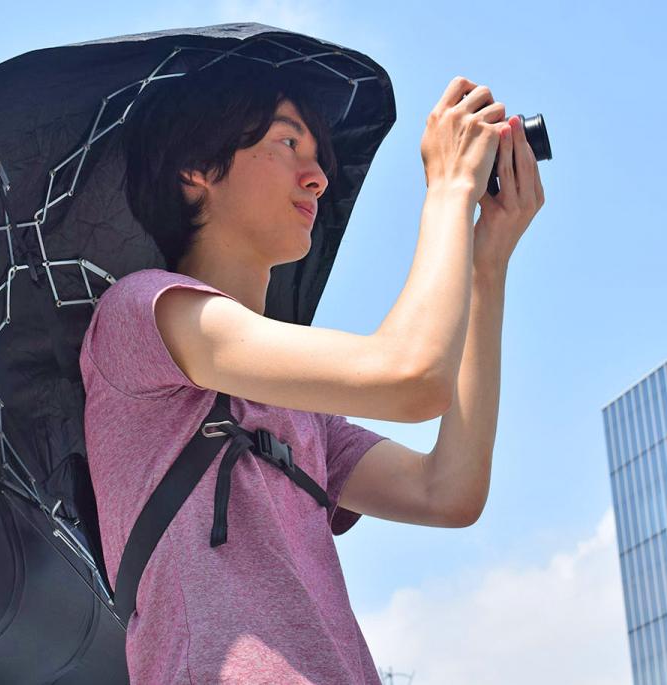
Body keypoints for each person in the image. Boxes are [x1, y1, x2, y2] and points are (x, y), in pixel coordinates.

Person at [80, 60, 544, 684]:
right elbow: (411, 377)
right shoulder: (140, 312)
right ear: (197, 169)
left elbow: (449, 490)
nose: (318, 176)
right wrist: (448, 193)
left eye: (318, 154)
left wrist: (488, 262)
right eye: (287, 142)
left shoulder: (302, 412)